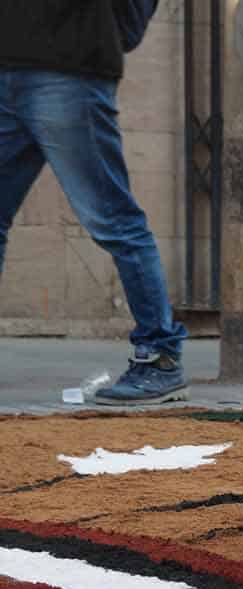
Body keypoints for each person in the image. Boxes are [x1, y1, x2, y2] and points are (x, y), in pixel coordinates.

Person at [0, 2, 188, 406]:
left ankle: (160, 360)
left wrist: (106, 34)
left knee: (113, 220)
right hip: (9, 66)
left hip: (69, 71)